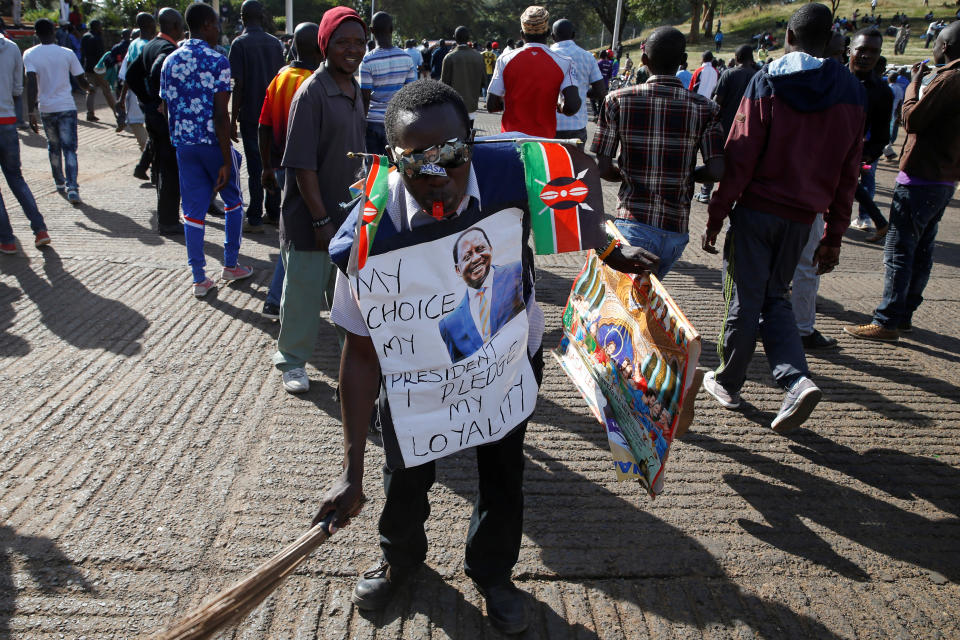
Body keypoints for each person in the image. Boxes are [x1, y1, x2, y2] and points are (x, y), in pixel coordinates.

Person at [316, 78, 655, 636]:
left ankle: (493, 573)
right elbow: (358, 353)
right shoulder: (367, 242)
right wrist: (350, 473)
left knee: (503, 477)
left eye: (449, 154)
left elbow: (571, 203)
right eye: (414, 161)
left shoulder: (514, 173)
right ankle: (400, 560)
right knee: (404, 477)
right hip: (416, 383)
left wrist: (614, 249)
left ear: (470, 140)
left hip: (505, 364)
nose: (436, 174)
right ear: (390, 158)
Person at [700, 3, 867, 433]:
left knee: (743, 296)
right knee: (775, 298)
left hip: (757, 211)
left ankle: (728, 381)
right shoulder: (852, 91)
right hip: (803, 219)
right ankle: (795, 379)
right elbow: (850, 172)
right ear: (831, 39)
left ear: (788, 37)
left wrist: (717, 214)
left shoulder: (768, 79)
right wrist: (834, 233)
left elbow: (740, 154)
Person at [271, 7, 366, 394]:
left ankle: (352, 361)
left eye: (359, 42)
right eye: (343, 42)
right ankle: (292, 362)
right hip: (311, 218)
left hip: (346, 216)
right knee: (302, 298)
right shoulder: (311, 93)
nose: (353, 50)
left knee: (347, 299)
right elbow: (301, 166)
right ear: (325, 44)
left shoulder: (354, 88)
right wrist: (319, 221)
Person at [845, 22, 960, 342]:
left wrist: (913, 87)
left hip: (922, 179)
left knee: (899, 251)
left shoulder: (950, 78)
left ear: (945, 47)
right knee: (921, 250)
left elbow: (912, 119)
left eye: (936, 43)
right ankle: (903, 314)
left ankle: (887, 320)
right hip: (941, 179)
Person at [593, 26, 724, 279]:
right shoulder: (706, 108)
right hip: (676, 231)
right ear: (682, 61)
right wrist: (684, 174)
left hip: (633, 223)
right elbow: (716, 170)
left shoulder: (617, 100)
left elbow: (602, 168)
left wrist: (627, 173)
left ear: (644, 61)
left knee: (621, 309)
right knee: (644, 304)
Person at [160, 2, 253, 297]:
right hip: (213, 145)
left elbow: (165, 106)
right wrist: (226, 158)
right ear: (206, 25)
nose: (219, 29)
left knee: (193, 212)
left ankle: (199, 278)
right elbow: (221, 114)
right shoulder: (217, 61)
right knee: (233, 201)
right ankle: (230, 264)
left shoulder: (169, 61)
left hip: (184, 146)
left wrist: (183, 131)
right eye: (216, 24)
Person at [258, 21, 320, 320]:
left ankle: (278, 298)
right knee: (298, 237)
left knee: (291, 234)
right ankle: (275, 299)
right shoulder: (316, 83)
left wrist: (267, 165)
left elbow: (263, 126)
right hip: (306, 171)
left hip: (282, 166)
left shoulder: (280, 78)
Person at [791, 30, 847, 351]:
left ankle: (798, 328)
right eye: (837, 54)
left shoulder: (777, 79)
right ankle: (797, 328)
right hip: (795, 197)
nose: (837, 62)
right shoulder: (843, 93)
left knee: (803, 266)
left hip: (805, 198)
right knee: (802, 266)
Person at [125, 8, 184, 235]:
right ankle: (168, 221)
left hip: (152, 114)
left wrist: (147, 100)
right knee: (169, 168)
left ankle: (166, 216)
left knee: (161, 165)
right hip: (161, 117)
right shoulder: (167, 50)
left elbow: (131, 75)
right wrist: (159, 99)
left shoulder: (150, 45)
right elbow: (157, 69)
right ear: (176, 26)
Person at [228, 0, 284, 233]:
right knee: (271, 162)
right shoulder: (275, 44)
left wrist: (232, 120)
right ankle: (273, 211)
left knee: (255, 167)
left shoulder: (239, 44)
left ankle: (255, 217)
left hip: (251, 116)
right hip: (274, 114)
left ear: (242, 17)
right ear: (262, 17)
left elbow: (237, 84)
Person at [23, 18, 92, 205]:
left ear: (36, 34)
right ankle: (73, 188)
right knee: (70, 149)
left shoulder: (29, 54)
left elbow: (30, 85)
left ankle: (59, 182)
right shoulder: (67, 53)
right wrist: (90, 88)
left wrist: (30, 112)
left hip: (46, 109)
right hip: (66, 107)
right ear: (54, 32)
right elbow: (80, 79)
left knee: (53, 147)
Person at [486, 5, 580, 138]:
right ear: (548, 33)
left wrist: (510, 102)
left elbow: (491, 105)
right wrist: (560, 106)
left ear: (522, 34)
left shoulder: (505, 59)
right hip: (544, 143)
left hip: (510, 140)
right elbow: (572, 106)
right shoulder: (565, 62)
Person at [0, 25, 48, 253]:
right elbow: (18, 89)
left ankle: (7, 240)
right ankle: (40, 229)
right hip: (8, 121)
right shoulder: (11, 48)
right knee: (16, 178)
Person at [696, 44, 759, 204]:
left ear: (737, 58)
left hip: (725, 125)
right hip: (748, 129)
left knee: (714, 158)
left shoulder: (729, 74)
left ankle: (705, 192)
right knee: (740, 164)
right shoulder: (759, 76)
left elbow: (717, 102)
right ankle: (733, 197)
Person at [848, 28, 893, 237]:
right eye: (862, 49)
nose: (867, 56)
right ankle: (880, 221)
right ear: (850, 50)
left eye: (874, 51)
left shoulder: (882, 92)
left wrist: (862, 156)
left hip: (848, 157)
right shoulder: (829, 78)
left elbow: (881, 136)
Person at [359, 12, 416, 155]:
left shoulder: (367, 61)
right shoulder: (406, 58)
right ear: (392, 29)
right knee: (396, 166)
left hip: (372, 122)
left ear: (371, 31)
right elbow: (411, 93)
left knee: (375, 168)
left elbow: (365, 98)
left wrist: (361, 124)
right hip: (397, 121)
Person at [551, 18, 605, 145]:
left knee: (549, 164)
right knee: (576, 165)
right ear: (573, 35)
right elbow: (601, 91)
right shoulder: (587, 57)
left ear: (552, 36)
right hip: (576, 126)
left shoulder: (546, 55)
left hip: (549, 126)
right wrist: (582, 91)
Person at [441, 26, 485, 127]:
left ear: (455, 38)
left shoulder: (449, 57)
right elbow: (483, 81)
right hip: (472, 105)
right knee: (469, 136)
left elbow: (444, 85)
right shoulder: (478, 57)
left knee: (454, 139)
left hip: (454, 107)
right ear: (468, 38)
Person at [80, 20, 118, 124]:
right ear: (96, 27)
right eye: (100, 26)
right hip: (99, 68)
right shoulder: (97, 38)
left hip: (88, 67)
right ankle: (117, 113)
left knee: (90, 90)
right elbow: (101, 55)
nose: (101, 28)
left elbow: (82, 52)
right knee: (107, 91)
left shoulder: (85, 37)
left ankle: (90, 113)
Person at [882, 71, 904, 161]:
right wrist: (899, 114)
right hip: (893, 113)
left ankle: (889, 153)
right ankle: (888, 152)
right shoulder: (899, 88)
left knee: (882, 133)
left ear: (889, 78)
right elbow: (899, 103)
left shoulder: (889, 88)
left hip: (886, 112)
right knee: (887, 133)